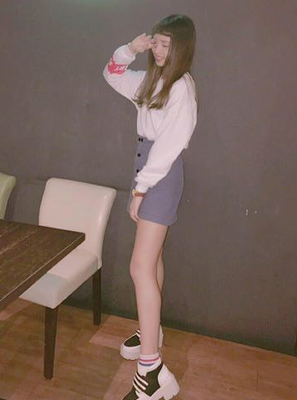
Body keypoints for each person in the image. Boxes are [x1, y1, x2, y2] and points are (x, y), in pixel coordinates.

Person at [103, 14, 197, 400]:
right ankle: (151, 330)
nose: (158, 50)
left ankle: (151, 369)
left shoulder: (181, 88)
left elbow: (169, 148)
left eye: (166, 44)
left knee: (139, 266)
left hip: (159, 174)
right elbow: (111, 74)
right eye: (156, 42)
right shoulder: (151, 80)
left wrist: (140, 190)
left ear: (182, 48)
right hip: (146, 170)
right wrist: (130, 49)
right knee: (151, 259)